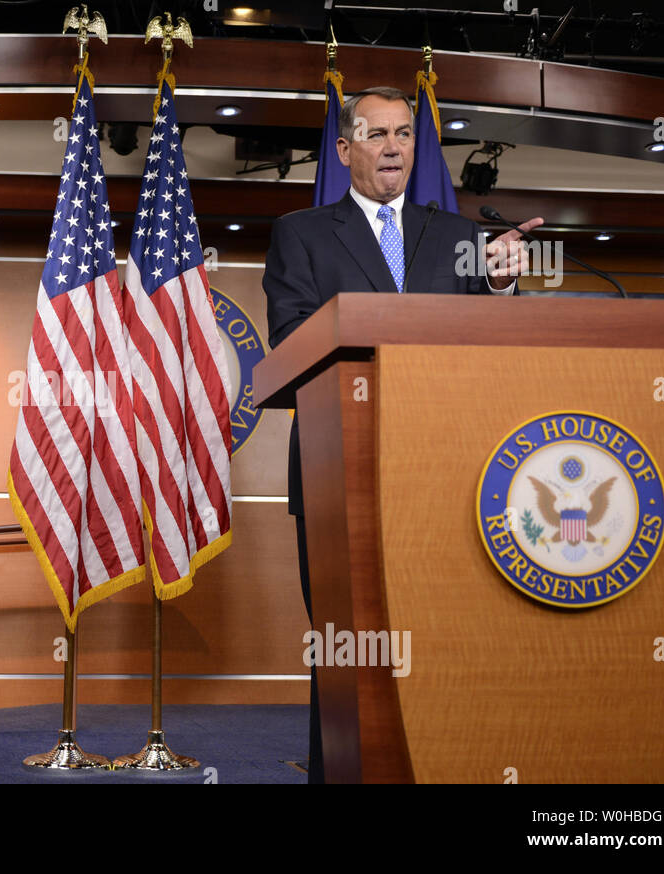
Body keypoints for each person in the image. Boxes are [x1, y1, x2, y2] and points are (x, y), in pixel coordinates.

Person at [262, 85, 543, 783]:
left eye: (405, 134)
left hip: (445, 468)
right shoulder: (300, 232)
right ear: (346, 148)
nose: (393, 147)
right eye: (377, 134)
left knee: (444, 633)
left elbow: (490, 342)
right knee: (346, 646)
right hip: (337, 473)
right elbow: (291, 340)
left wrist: (502, 284)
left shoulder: (458, 238)